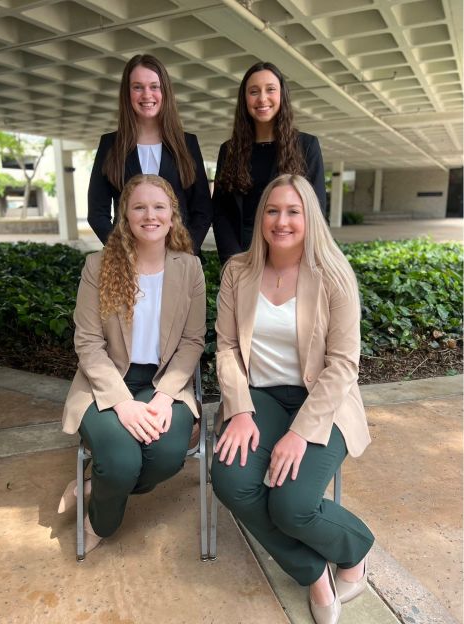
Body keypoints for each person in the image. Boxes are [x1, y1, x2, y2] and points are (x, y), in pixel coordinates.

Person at [212, 174, 374, 624]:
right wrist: (240, 410)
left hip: (323, 401)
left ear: (310, 217)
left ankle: (355, 551)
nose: (281, 221)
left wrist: (301, 433)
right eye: (272, 210)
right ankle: (313, 573)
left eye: (293, 212)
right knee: (231, 481)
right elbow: (225, 347)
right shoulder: (237, 271)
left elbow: (343, 364)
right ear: (261, 215)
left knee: (292, 506)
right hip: (259, 395)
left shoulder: (334, 275)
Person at [58, 174, 206, 554]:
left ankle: (94, 486)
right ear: (124, 214)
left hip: (164, 382)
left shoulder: (190, 268)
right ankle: (99, 524)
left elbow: (192, 342)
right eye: (139, 206)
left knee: (167, 456)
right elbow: (88, 342)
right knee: (121, 461)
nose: (150, 215)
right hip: (105, 382)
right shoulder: (99, 265)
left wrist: (163, 397)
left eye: (159, 207)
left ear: (172, 217)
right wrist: (121, 402)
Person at [88, 53, 212, 256]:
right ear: (127, 93)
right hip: (127, 264)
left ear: (165, 91)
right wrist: (123, 251)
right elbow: (97, 213)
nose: (147, 95)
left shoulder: (187, 144)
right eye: (137, 87)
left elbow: (202, 210)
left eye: (154, 86)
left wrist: (184, 251)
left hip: (181, 261)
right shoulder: (110, 145)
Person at [212, 61, 326, 264]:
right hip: (242, 257)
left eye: (270, 89)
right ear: (244, 99)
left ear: (282, 95)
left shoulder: (306, 146)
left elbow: (316, 212)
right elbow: (221, 214)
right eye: (254, 91)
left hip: (292, 258)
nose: (262, 98)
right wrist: (232, 262)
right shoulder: (229, 151)